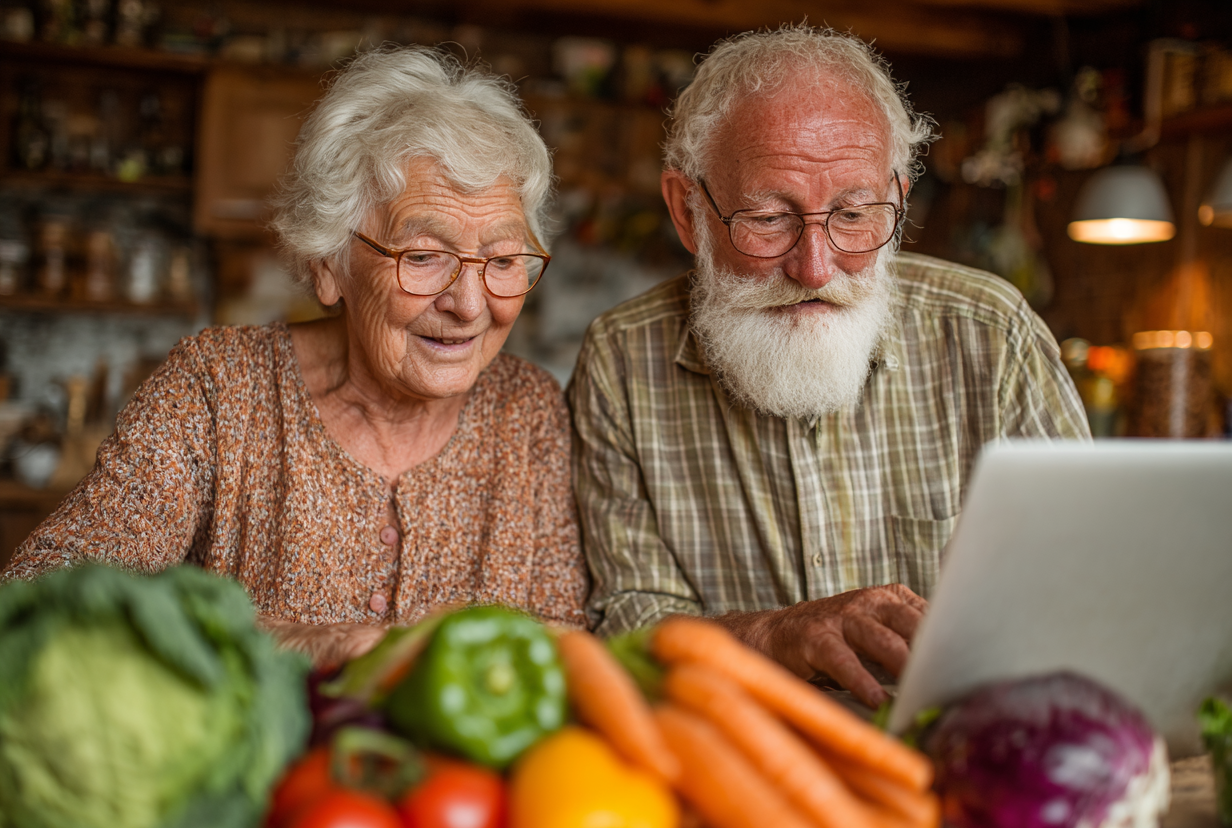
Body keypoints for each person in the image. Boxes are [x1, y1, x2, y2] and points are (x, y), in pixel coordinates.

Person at [5, 47, 589, 664]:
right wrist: (305, 645)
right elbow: (38, 599)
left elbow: (570, 646)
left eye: (501, 262)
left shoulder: (527, 409)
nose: (470, 305)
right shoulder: (220, 386)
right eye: (422, 257)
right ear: (329, 264)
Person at [568, 26, 1089, 708]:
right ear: (688, 211)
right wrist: (778, 637)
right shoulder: (621, 360)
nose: (815, 267)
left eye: (852, 214)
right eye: (767, 219)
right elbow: (631, 630)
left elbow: (1087, 584)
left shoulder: (993, 335)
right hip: (737, 758)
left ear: (898, 201)